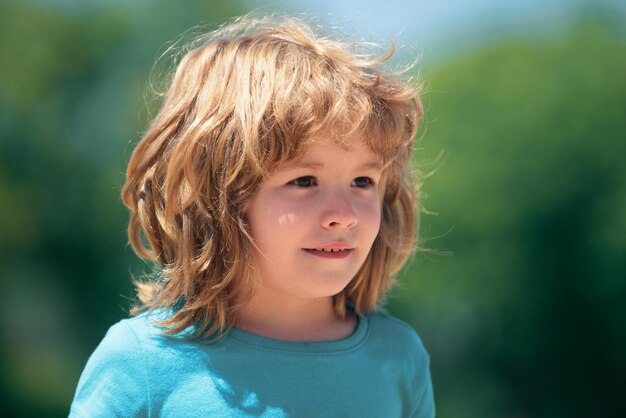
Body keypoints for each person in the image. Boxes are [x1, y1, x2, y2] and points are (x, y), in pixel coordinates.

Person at [69, 13, 435, 418]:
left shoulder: (398, 358)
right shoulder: (140, 363)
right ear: (218, 196)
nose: (343, 215)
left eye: (363, 181)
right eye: (304, 181)